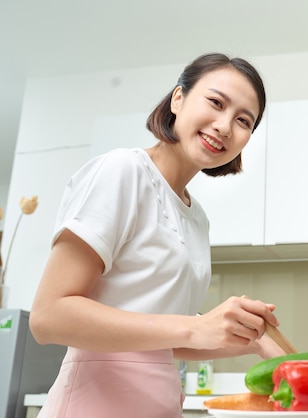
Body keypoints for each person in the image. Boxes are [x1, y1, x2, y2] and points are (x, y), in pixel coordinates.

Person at [29, 53, 285, 418]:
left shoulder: (197, 219)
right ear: (177, 99)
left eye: (244, 121)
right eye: (216, 102)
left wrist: (252, 342)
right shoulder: (123, 171)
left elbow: (163, 340)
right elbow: (48, 316)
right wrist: (196, 326)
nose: (225, 126)